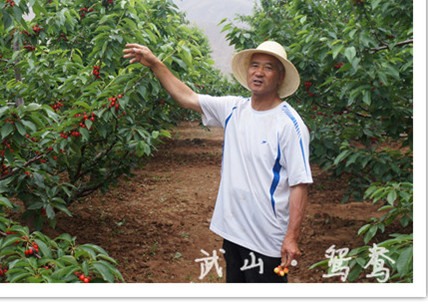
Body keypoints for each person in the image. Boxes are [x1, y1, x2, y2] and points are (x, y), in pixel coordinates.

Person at [123, 40, 311, 283]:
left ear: (280, 77)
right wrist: (155, 64)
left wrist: (292, 236)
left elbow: (299, 183)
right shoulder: (233, 109)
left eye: (268, 67)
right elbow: (187, 98)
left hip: (266, 239)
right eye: (255, 65)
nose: (259, 72)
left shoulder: (289, 124)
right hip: (233, 232)